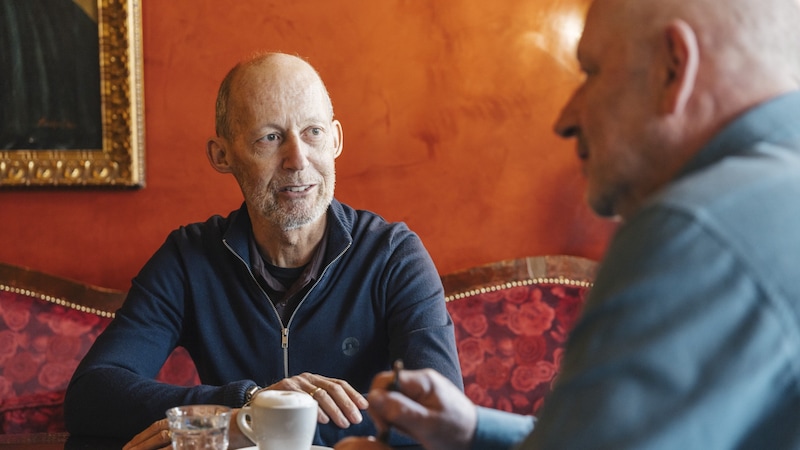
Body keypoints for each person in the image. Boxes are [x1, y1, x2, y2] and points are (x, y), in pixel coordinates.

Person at [335, 0, 800, 448]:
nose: (565, 119)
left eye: (591, 72)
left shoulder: (691, 228)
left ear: (673, 68)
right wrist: (475, 431)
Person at [64, 52, 462, 449]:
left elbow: (442, 420)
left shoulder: (394, 255)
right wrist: (249, 405)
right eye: (269, 137)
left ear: (336, 139)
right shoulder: (189, 258)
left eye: (313, 132)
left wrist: (252, 425)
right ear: (223, 156)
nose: (297, 159)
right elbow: (92, 394)